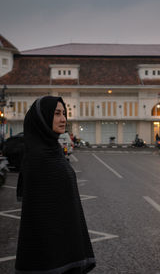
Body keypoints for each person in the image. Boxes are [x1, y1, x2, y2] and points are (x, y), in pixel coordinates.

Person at [15, 96, 96, 274]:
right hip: (49, 255)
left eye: (64, 114)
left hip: (64, 241)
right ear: (42, 118)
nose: (63, 119)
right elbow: (39, 216)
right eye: (57, 113)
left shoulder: (54, 149)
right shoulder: (37, 156)